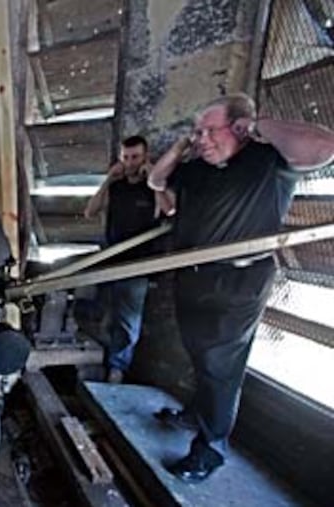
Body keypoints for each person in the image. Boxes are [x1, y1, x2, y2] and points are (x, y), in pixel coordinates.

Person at [147, 93, 334, 483]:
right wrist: (183, 144)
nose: (202, 140)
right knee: (202, 358)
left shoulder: (268, 163)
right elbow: (156, 180)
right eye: (198, 133)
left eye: (208, 131)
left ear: (239, 127)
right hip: (192, 277)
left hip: (238, 284)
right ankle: (197, 415)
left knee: (221, 369)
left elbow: (324, 147)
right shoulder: (199, 169)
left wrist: (258, 126)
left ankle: (210, 451)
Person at [84, 135, 158, 383]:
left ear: (145, 157)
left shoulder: (153, 188)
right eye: (125, 157)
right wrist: (107, 180)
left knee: (128, 322)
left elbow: (167, 211)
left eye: (135, 157)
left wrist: (155, 178)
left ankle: (117, 369)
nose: (130, 163)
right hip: (110, 260)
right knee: (102, 311)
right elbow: (90, 211)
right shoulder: (116, 187)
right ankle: (96, 362)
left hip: (138, 264)